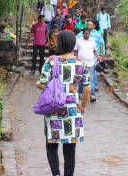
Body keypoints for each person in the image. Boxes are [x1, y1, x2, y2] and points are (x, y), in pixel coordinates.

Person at [37, 30, 90, 176]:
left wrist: (52, 88)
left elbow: (42, 84)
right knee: (70, 149)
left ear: (59, 43)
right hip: (72, 109)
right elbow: (87, 90)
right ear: (73, 44)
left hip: (53, 107)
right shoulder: (81, 63)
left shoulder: (51, 61)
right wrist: (83, 106)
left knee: (52, 144)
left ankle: (56, 174)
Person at [74, 27, 100, 102]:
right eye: (85, 33)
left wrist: (98, 57)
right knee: (80, 79)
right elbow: (75, 51)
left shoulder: (92, 41)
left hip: (90, 64)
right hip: (80, 64)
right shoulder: (78, 41)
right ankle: (81, 93)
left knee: (91, 80)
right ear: (83, 33)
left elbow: (94, 50)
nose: (87, 35)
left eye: (88, 33)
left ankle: (92, 95)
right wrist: (75, 59)